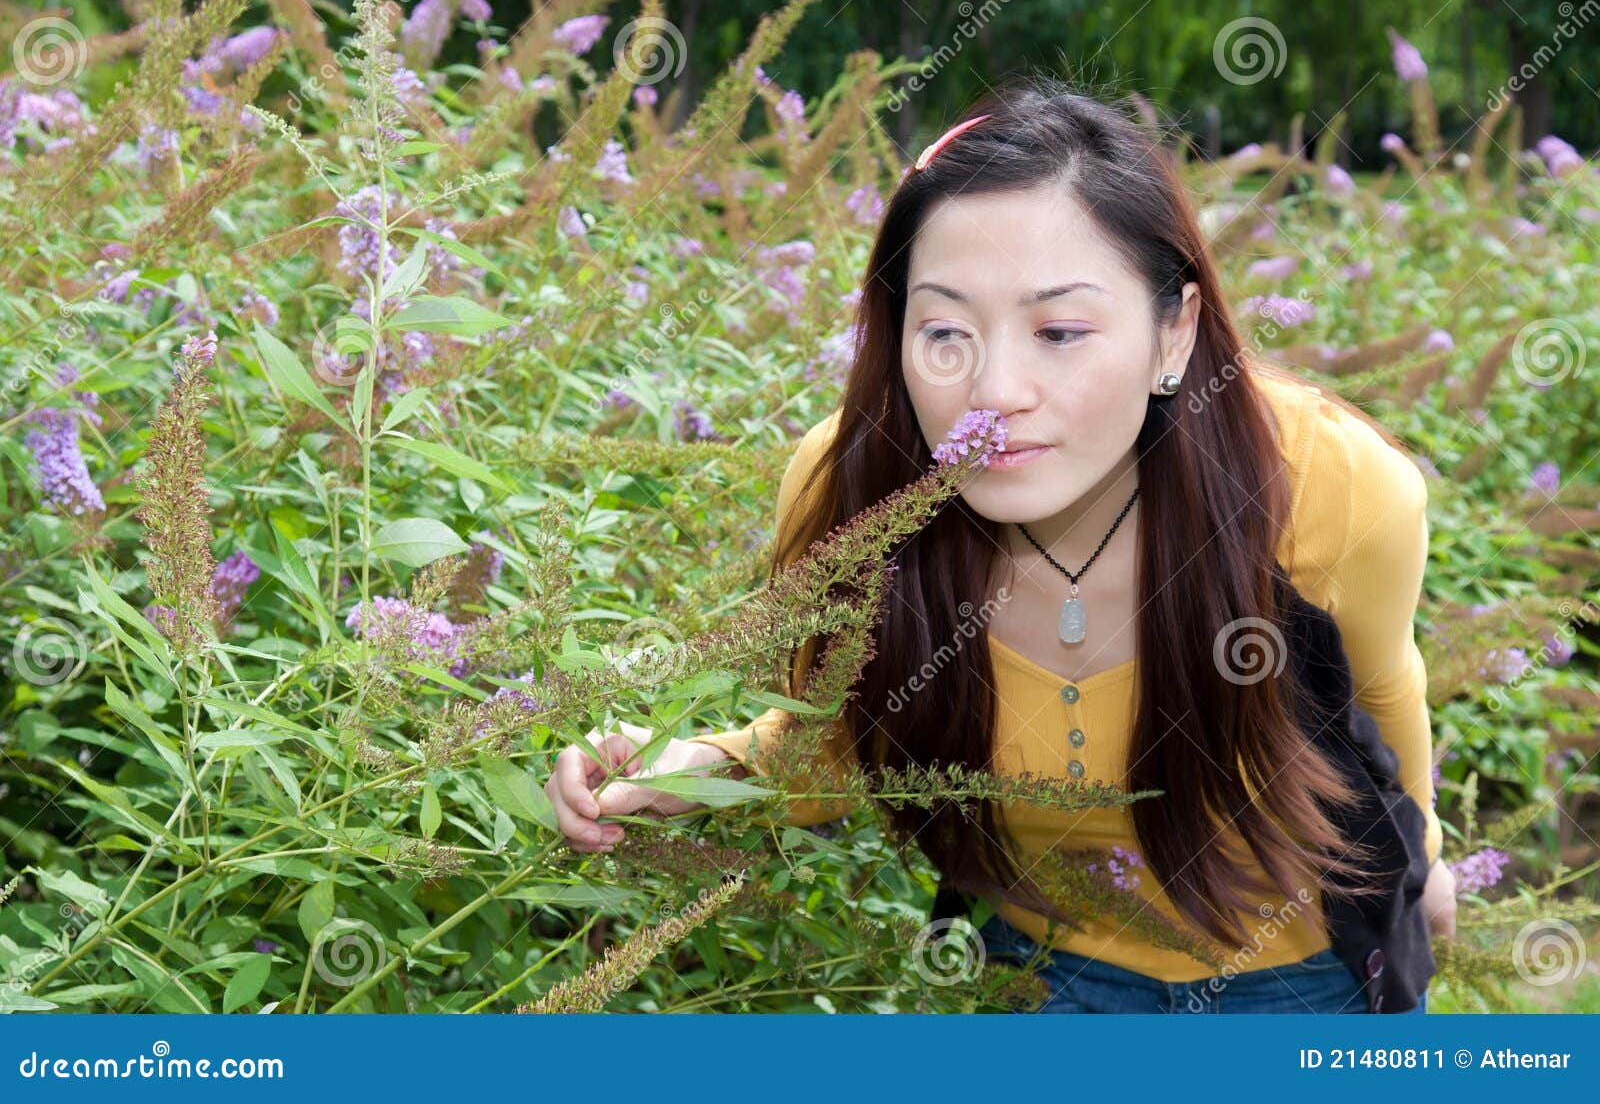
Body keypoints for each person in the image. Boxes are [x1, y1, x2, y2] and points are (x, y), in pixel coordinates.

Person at [545, 75, 1455, 1013]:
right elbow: (850, 734)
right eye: (944, 329)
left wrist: (1418, 862)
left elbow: (1382, 691)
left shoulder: (1330, 488)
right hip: (1019, 968)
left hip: (1303, 974)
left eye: (1059, 329)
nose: (994, 388)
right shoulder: (853, 495)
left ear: (1173, 332)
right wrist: (706, 770)